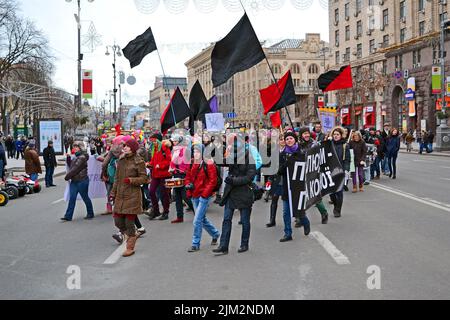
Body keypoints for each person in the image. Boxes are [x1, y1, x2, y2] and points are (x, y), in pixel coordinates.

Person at [213, 135, 257, 255]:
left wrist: (234, 181)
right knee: (227, 219)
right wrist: (217, 148)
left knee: (244, 220)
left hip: (244, 192)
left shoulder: (249, 157)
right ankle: (223, 245)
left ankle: (244, 243)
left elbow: (250, 177)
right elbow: (221, 162)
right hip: (231, 192)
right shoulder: (231, 155)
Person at [110, 138, 148, 257]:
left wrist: (131, 180)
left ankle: (130, 247)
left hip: (132, 195)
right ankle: (132, 235)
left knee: (129, 223)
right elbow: (116, 178)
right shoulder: (120, 160)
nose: (124, 147)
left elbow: (144, 179)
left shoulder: (139, 161)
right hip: (120, 195)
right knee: (118, 221)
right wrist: (113, 192)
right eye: (124, 146)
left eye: (126, 146)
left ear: (132, 148)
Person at [185, 144, 220, 252]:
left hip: (204, 196)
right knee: (202, 219)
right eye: (194, 151)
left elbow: (212, 180)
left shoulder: (208, 163)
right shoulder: (192, 162)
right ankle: (215, 233)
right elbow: (188, 177)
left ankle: (195, 243)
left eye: (198, 151)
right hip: (194, 194)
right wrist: (188, 185)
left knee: (196, 221)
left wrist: (205, 194)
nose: (196, 154)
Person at [61, 142, 94, 222]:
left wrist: (67, 176)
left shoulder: (82, 157)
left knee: (85, 197)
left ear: (80, 148)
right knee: (72, 198)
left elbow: (75, 169)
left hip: (82, 180)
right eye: (74, 147)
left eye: (76, 147)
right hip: (75, 181)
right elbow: (72, 166)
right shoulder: (76, 156)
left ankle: (90, 213)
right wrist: (68, 159)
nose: (74, 148)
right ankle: (68, 216)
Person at [169, 134, 194, 224]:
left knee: (186, 197)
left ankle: (198, 213)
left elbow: (188, 163)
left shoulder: (186, 150)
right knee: (177, 197)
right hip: (176, 174)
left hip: (184, 175)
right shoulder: (174, 150)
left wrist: (183, 170)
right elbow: (172, 162)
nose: (174, 143)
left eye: (175, 141)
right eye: (173, 141)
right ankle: (180, 217)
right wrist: (171, 169)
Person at [148, 135, 172, 221]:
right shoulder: (154, 148)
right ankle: (156, 211)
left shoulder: (164, 148)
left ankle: (166, 212)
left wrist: (160, 165)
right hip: (155, 174)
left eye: (154, 141)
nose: (153, 142)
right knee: (151, 191)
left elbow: (169, 161)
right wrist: (149, 164)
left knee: (163, 194)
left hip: (164, 174)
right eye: (152, 141)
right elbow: (153, 160)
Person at [329, 127, 350, 218]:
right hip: (330, 171)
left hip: (340, 170)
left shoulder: (345, 145)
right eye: (334, 134)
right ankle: (335, 204)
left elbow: (347, 159)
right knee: (331, 192)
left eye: (337, 134)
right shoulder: (329, 144)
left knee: (339, 191)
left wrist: (346, 170)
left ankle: (338, 210)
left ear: (341, 135)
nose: (335, 136)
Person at [266, 135, 286, 228]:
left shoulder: (289, 151)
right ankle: (272, 219)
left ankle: (298, 218)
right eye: (280, 139)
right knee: (274, 199)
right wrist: (269, 179)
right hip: (276, 178)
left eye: (283, 139)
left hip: (286, 178)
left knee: (289, 200)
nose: (282, 141)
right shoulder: (275, 152)